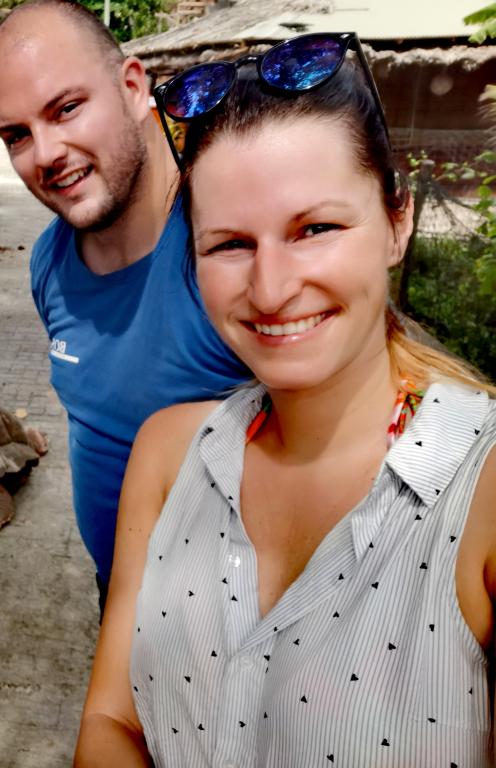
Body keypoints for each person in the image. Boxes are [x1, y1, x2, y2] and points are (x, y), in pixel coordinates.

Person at [75, 32, 496, 766]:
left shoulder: (480, 492)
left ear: (397, 223)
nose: (271, 289)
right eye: (231, 244)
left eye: (316, 229)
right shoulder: (171, 454)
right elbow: (113, 722)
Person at [0, 0, 248, 613]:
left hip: (238, 620)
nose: (46, 153)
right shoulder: (49, 263)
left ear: (132, 88)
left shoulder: (231, 248)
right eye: (17, 135)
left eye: (67, 109)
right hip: (120, 598)